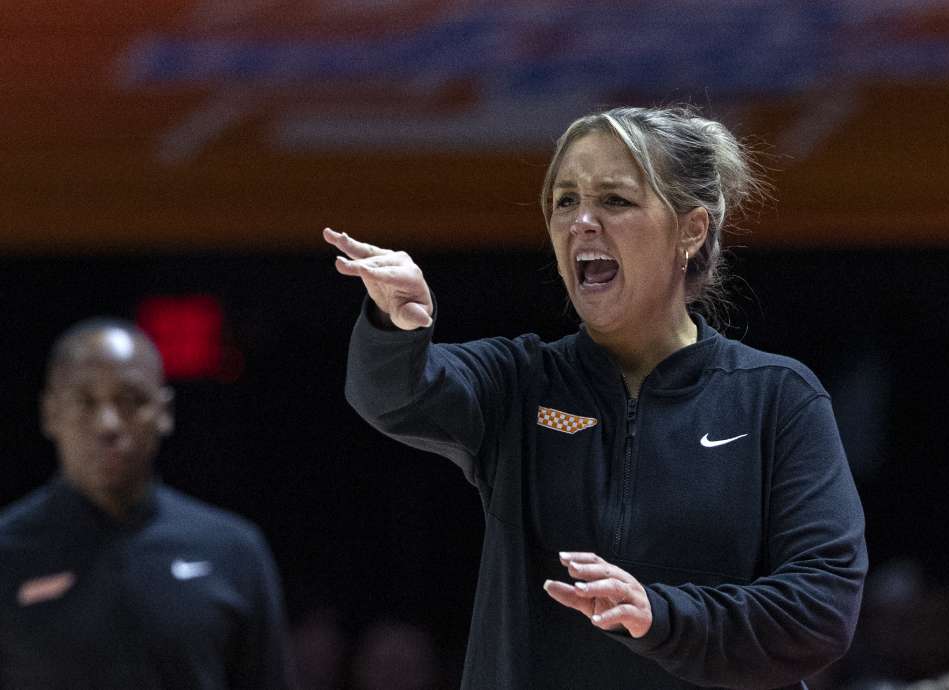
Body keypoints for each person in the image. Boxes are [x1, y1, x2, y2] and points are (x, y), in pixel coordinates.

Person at [325, 105, 867, 689]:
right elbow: (398, 396)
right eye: (564, 201)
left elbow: (821, 609)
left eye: (615, 200)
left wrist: (662, 616)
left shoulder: (776, 398)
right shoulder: (519, 381)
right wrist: (395, 328)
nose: (581, 221)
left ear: (691, 228)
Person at [0, 318, 292, 689]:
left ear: (164, 411)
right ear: (50, 413)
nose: (108, 424)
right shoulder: (7, 553)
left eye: (131, 400)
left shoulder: (232, 551)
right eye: (85, 401)